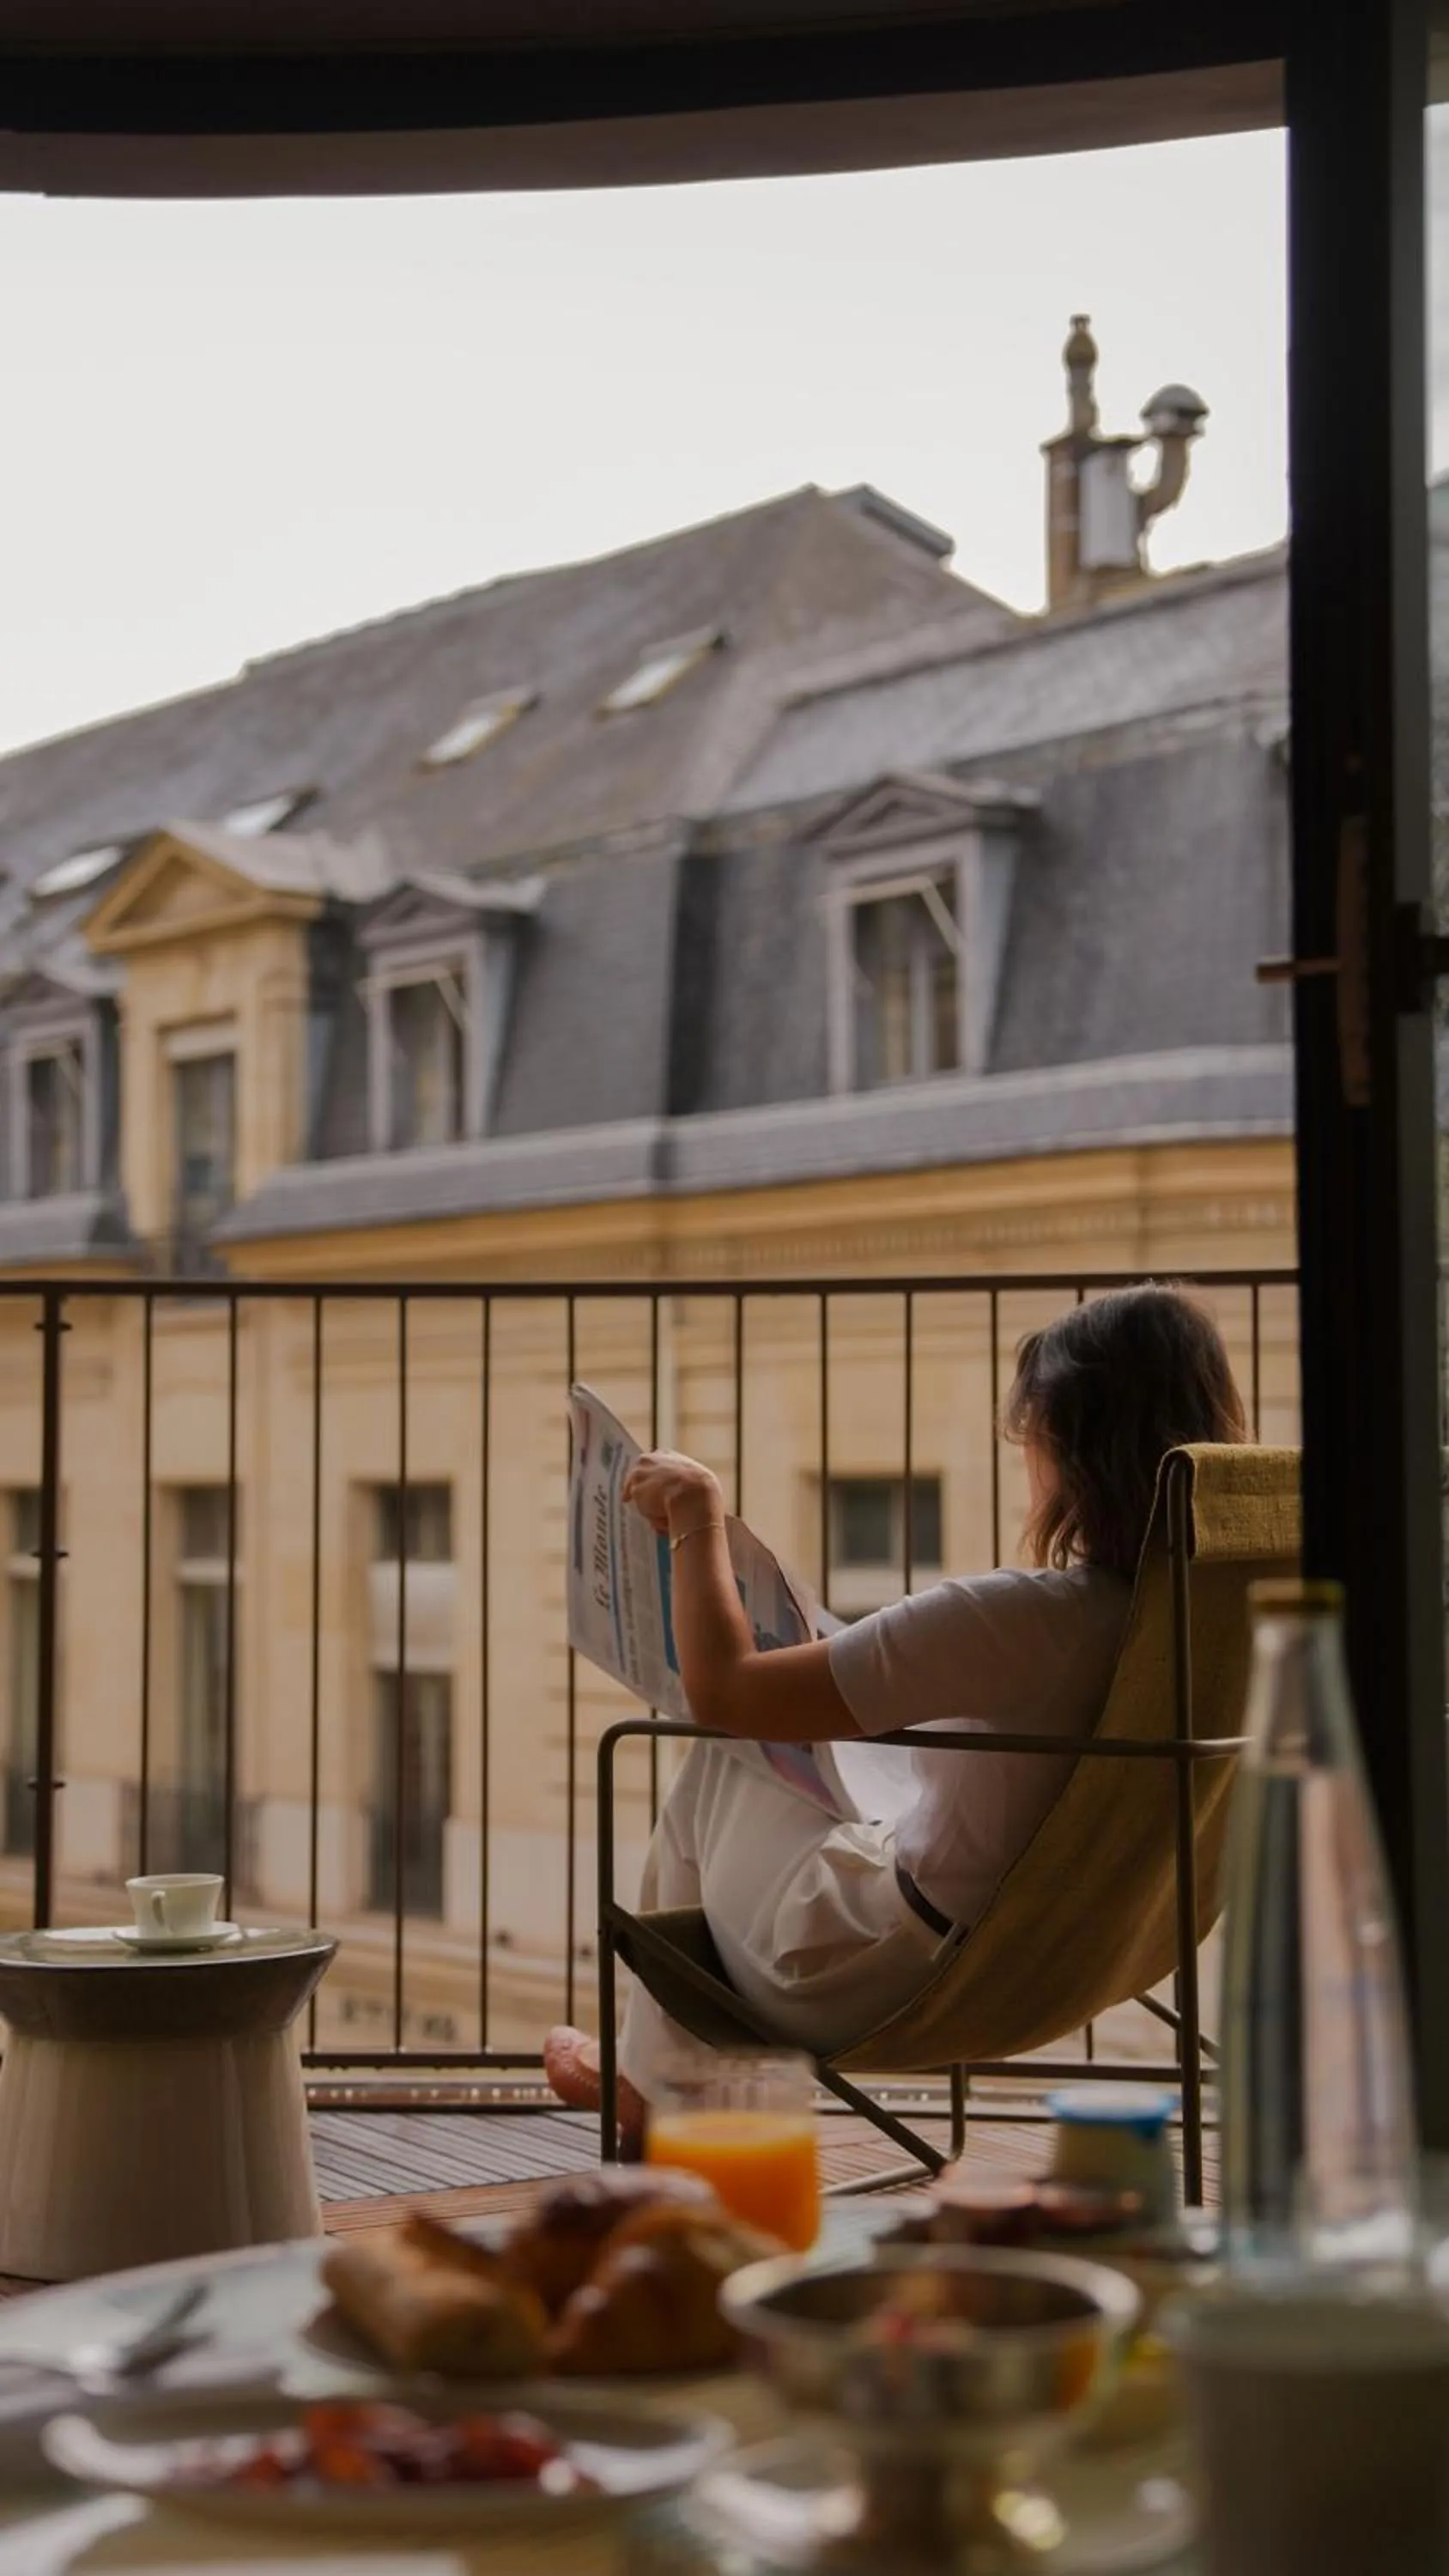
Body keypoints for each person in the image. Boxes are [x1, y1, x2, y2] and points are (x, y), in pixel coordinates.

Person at [545, 1283, 1246, 2145]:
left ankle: (659, 2083)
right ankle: (660, 2077)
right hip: (1070, 1956)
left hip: (881, 1973)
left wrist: (698, 1517)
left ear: (1068, 1447)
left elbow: (727, 1694)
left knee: (718, 1750)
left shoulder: (1014, 1620)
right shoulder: (1214, 1619)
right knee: (822, 1766)